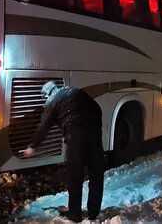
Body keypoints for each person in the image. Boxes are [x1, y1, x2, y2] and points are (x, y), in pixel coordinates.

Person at [23, 81, 104, 222]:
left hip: (76, 136)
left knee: (75, 176)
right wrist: (96, 127)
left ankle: (74, 214)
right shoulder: (75, 91)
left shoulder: (52, 101)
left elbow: (43, 127)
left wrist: (32, 146)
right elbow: (97, 109)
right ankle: (94, 212)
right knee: (96, 174)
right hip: (94, 134)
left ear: (47, 95)